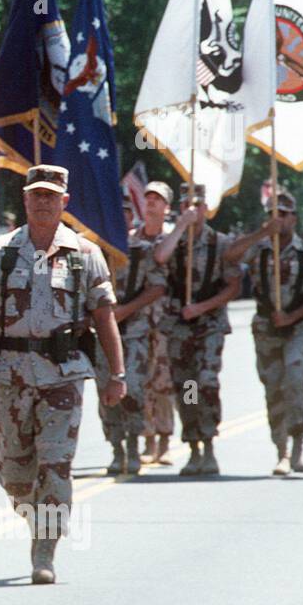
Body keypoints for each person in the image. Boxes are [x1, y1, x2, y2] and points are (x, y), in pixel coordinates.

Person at [0, 165, 125, 584]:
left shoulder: (86, 254)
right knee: (15, 474)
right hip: (10, 373)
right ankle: (33, 512)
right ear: (25, 200)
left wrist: (116, 374)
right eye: (37, 195)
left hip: (63, 375)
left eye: (52, 195)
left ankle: (44, 548)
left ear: (64, 201)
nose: (44, 201)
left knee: (56, 464)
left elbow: (104, 316)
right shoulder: (0, 251)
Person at [225, 189, 303, 475]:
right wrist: (260, 233)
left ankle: (297, 443)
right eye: (272, 214)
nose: (277, 219)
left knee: (295, 379)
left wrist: (293, 315)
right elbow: (230, 256)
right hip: (266, 326)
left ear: (293, 219)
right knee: (273, 388)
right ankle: (281, 450)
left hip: (298, 325)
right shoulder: (259, 248)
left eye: (282, 214)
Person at [152, 183, 242, 476]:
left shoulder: (221, 243)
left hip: (209, 325)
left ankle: (210, 444)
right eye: (186, 205)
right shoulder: (174, 240)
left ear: (207, 208)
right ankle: (193, 446)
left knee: (206, 382)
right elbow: (160, 258)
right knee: (187, 387)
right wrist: (180, 227)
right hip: (179, 328)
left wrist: (202, 308)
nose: (192, 209)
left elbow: (233, 287)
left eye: (198, 205)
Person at [94, 197, 167, 474]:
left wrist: (126, 310)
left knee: (133, 388)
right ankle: (117, 447)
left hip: (134, 332)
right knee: (106, 392)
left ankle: (136, 443)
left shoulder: (143, 251)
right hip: (101, 335)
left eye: (124, 213)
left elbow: (158, 287)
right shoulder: (93, 251)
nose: (119, 218)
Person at [137, 182, 176, 465]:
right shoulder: (129, 240)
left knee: (164, 383)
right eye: (148, 198)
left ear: (167, 207)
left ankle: (164, 440)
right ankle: (147, 439)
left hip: (166, 322)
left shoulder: (176, 239)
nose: (151, 203)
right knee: (141, 382)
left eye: (158, 199)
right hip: (138, 322)